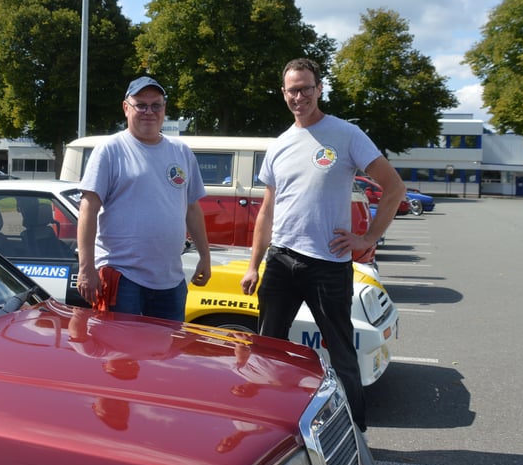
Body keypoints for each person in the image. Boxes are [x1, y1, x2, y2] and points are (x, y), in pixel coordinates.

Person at [239, 58, 405, 433]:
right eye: (292, 90)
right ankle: (270, 430)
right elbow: (266, 211)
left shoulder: (346, 135)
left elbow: (394, 188)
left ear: (319, 89)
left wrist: (368, 238)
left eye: (306, 88)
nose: (299, 96)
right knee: (268, 350)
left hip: (328, 265)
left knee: (342, 354)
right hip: (281, 261)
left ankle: (355, 434)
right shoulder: (280, 144)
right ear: (283, 94)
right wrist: (254, 264)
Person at [76, 76, 211, 321]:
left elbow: (192, 209)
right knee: (119, 355)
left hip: (170, 280)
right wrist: (86, 269)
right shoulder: (110, 150)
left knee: (165, 356)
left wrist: (205, 256)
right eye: (141, 105)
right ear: (126, 108)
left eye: (156, 105)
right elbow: (88, 209)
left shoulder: (181, 152)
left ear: (164, 109)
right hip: (123, 276)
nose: (149, 112)